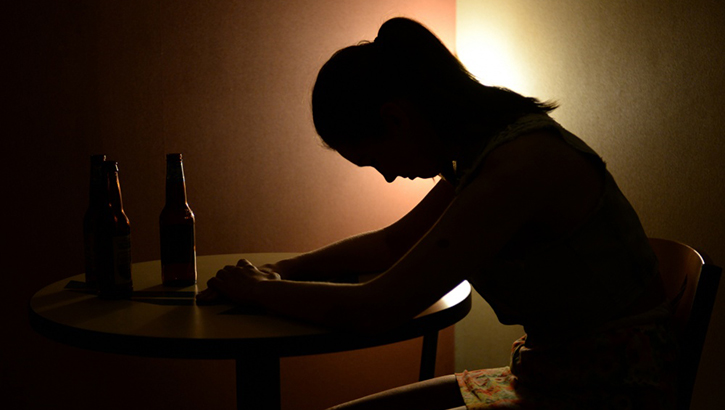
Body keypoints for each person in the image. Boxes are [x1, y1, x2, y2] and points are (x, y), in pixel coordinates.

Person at [197, 17, 678, 410]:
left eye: (375, 159)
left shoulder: (518, 166)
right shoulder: (488, 152)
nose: (386, 177)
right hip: (553, 371)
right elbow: (392, 244)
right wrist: (282, 271)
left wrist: (261, 292)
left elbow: (377, 309)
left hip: (608, 391)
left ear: (396, 119)